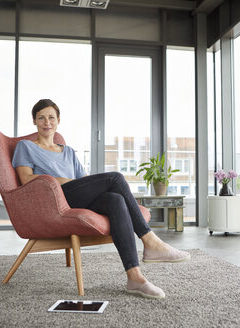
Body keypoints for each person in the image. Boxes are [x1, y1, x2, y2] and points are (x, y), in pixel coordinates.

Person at [12, 99, 190, 299]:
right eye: (41, 118)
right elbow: (26, 178)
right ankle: (150, 242)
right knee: (115, 178)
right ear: (34, 121)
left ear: (58, 120)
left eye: (51, 117)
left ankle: (135, 278)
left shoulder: (68, 151)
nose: (47, 122)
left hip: (75, 196)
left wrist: (92, 186)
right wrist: (64, 180)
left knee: (115, 199)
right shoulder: (25, 146)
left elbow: (83, 181)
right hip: (53, 199)